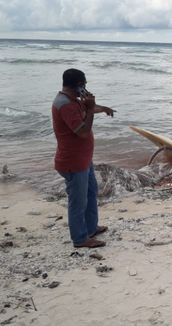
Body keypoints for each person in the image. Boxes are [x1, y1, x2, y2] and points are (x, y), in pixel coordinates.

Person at [51, 68, 115, 248]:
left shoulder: (73, 100)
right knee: (78, 202)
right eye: (84, 84)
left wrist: (102, 108)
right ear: (79, 85)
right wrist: (88, 107)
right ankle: (80, 239)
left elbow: (87, 110)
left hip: (83, 160)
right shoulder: (66, 105)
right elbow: (83, 132)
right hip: (73, 162)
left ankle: (91, 228)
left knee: (91, 193)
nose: (86, 88)